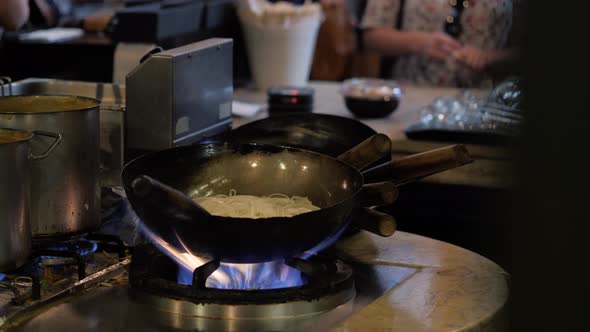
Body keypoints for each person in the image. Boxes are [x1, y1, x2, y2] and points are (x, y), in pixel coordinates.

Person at [361, 0, 515, 87]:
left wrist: (489, 57)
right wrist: (418, 42)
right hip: (414, 94)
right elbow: (370, 37)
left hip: (486, 100)